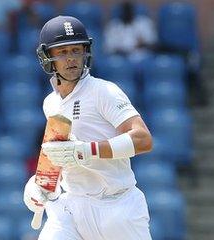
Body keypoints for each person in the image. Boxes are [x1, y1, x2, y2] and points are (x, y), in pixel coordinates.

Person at [23, 16, 154, 239]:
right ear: (48, 58)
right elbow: (58, 152)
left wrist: (85, 151)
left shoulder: (103, 91)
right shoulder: (51, 103)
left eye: (76, 50)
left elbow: (143, 139)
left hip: (117, 206)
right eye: (62, 52)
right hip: (71, 206)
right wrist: (40, 184)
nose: (71, 58)